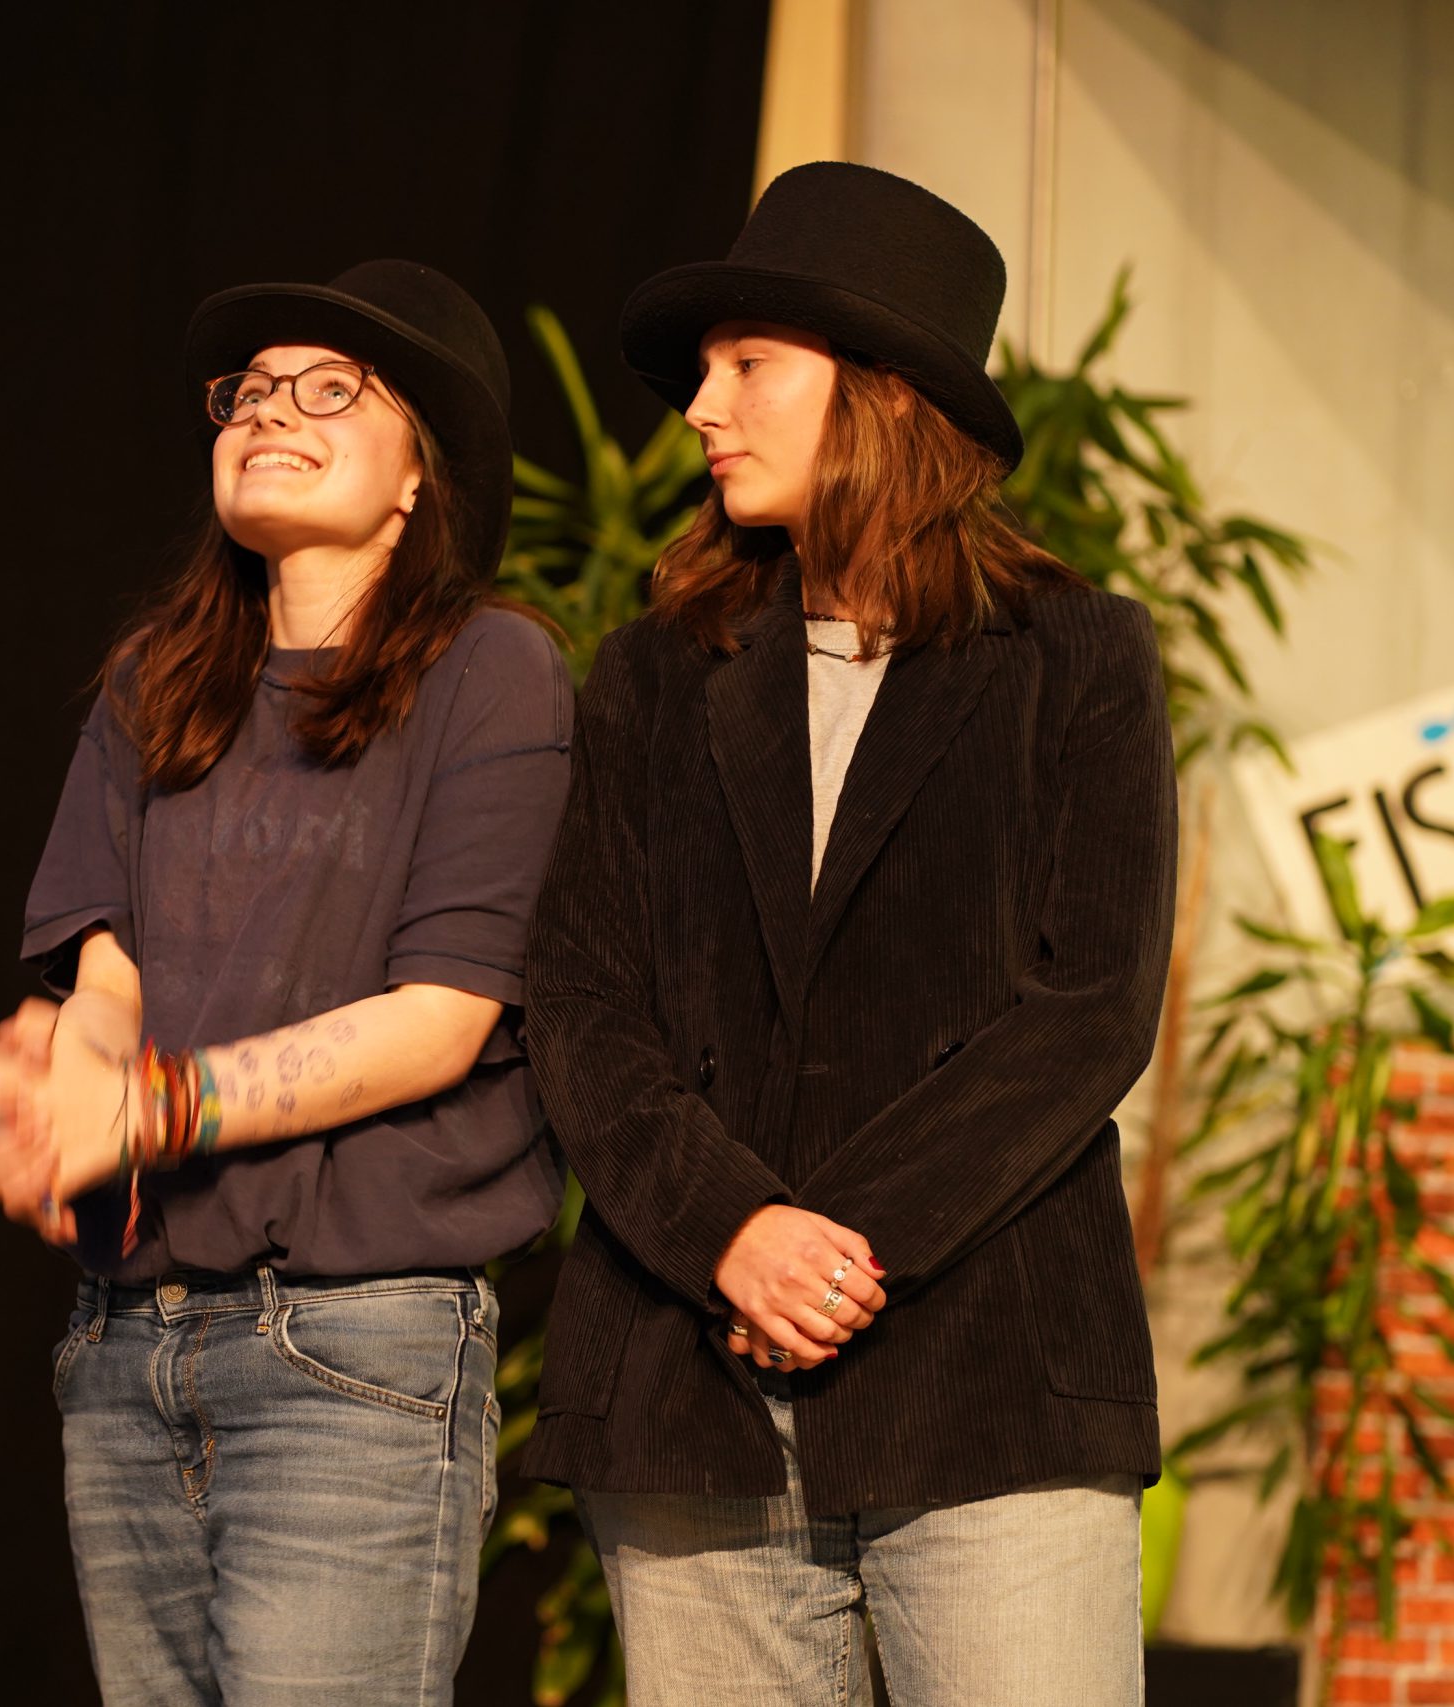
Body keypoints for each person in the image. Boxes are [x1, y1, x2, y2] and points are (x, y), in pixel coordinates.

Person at [515, 162, 1178, 1705]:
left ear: (880, 391)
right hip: (697, 1389)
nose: (702, 407)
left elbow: (1090, 1007)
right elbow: (581, 997)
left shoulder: (1076, 658)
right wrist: (730, 1232)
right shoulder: (655, 674)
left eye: (749, 364)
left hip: (994, 1383)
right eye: (705, 371)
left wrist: (835, 1250)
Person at [0, 259, 572, 1706]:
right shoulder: (153, 680)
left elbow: (441, 1020)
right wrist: (56, 1097)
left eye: (331, 388)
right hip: (132, 1342)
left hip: (351, 1350)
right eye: (250, 391)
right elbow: (106, 979)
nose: (270, 412)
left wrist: (150, 1112)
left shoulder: (493, 672)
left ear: (419, 475)